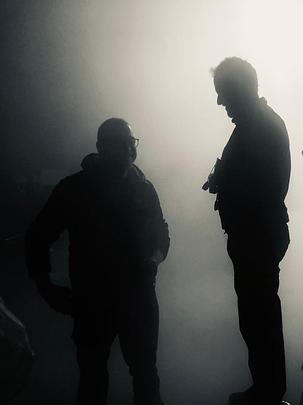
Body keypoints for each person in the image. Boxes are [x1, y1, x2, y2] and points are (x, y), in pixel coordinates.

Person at [25, 118, 169, 405]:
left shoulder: (139, 188)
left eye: (131, 143)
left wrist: (154, 259)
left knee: (131, 376)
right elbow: (38, 237)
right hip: (102, 300)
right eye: (124, 143)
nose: (130, 149)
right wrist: (46, 287)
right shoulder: (77, 189)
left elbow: (161, 236)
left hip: (125, 299)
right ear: (103, 147)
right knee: (110, 377)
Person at [206, 57, 291, 405]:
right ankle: (266, 388)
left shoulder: (258, 126)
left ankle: (267, 391)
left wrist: (225, 181)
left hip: (256, 236)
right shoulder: (260, 123)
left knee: (259, 318)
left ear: (238, 89)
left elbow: (263, 186)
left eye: (222, 92)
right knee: (258, 316)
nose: (219, 101)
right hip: (258, 234)